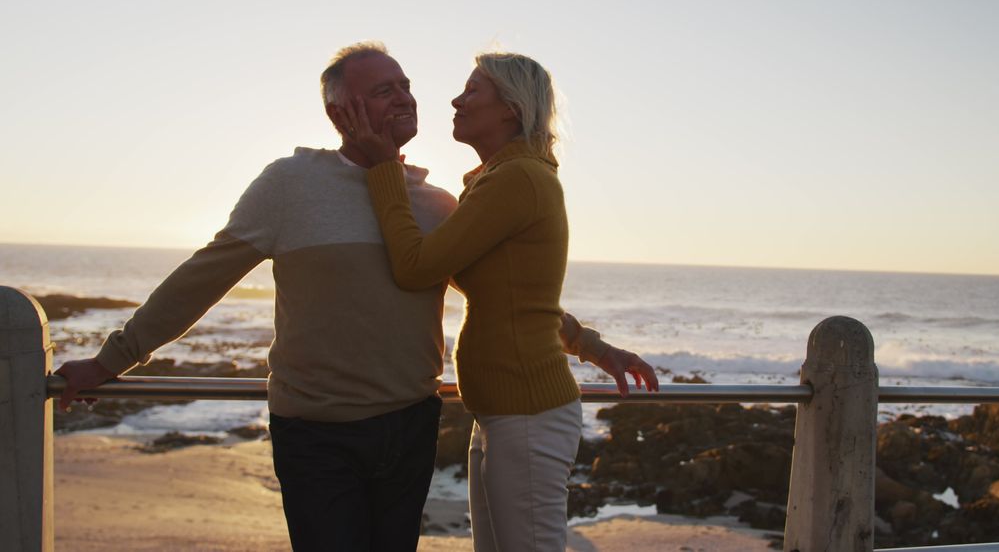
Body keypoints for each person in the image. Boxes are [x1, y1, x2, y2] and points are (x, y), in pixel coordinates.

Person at [54, 42, 655, 552]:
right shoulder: (289, 186)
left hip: (411, 428)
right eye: (385, 90)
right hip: (316, 434)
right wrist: (113, 360)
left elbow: (509, 297)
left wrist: (592, 347)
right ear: (343, 112)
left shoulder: (435, 204)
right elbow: (199, 279)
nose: (408, 98)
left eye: (406, 85)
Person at [339, 51, 659, 552]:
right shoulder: (505, 179)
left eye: (472, 91)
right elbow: (515, 298)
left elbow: (416, 267)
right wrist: (593, 348)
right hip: (502, 414)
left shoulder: (518, 179)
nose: (455, 100)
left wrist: (385, 172)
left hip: (526, 414)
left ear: (509, 108)